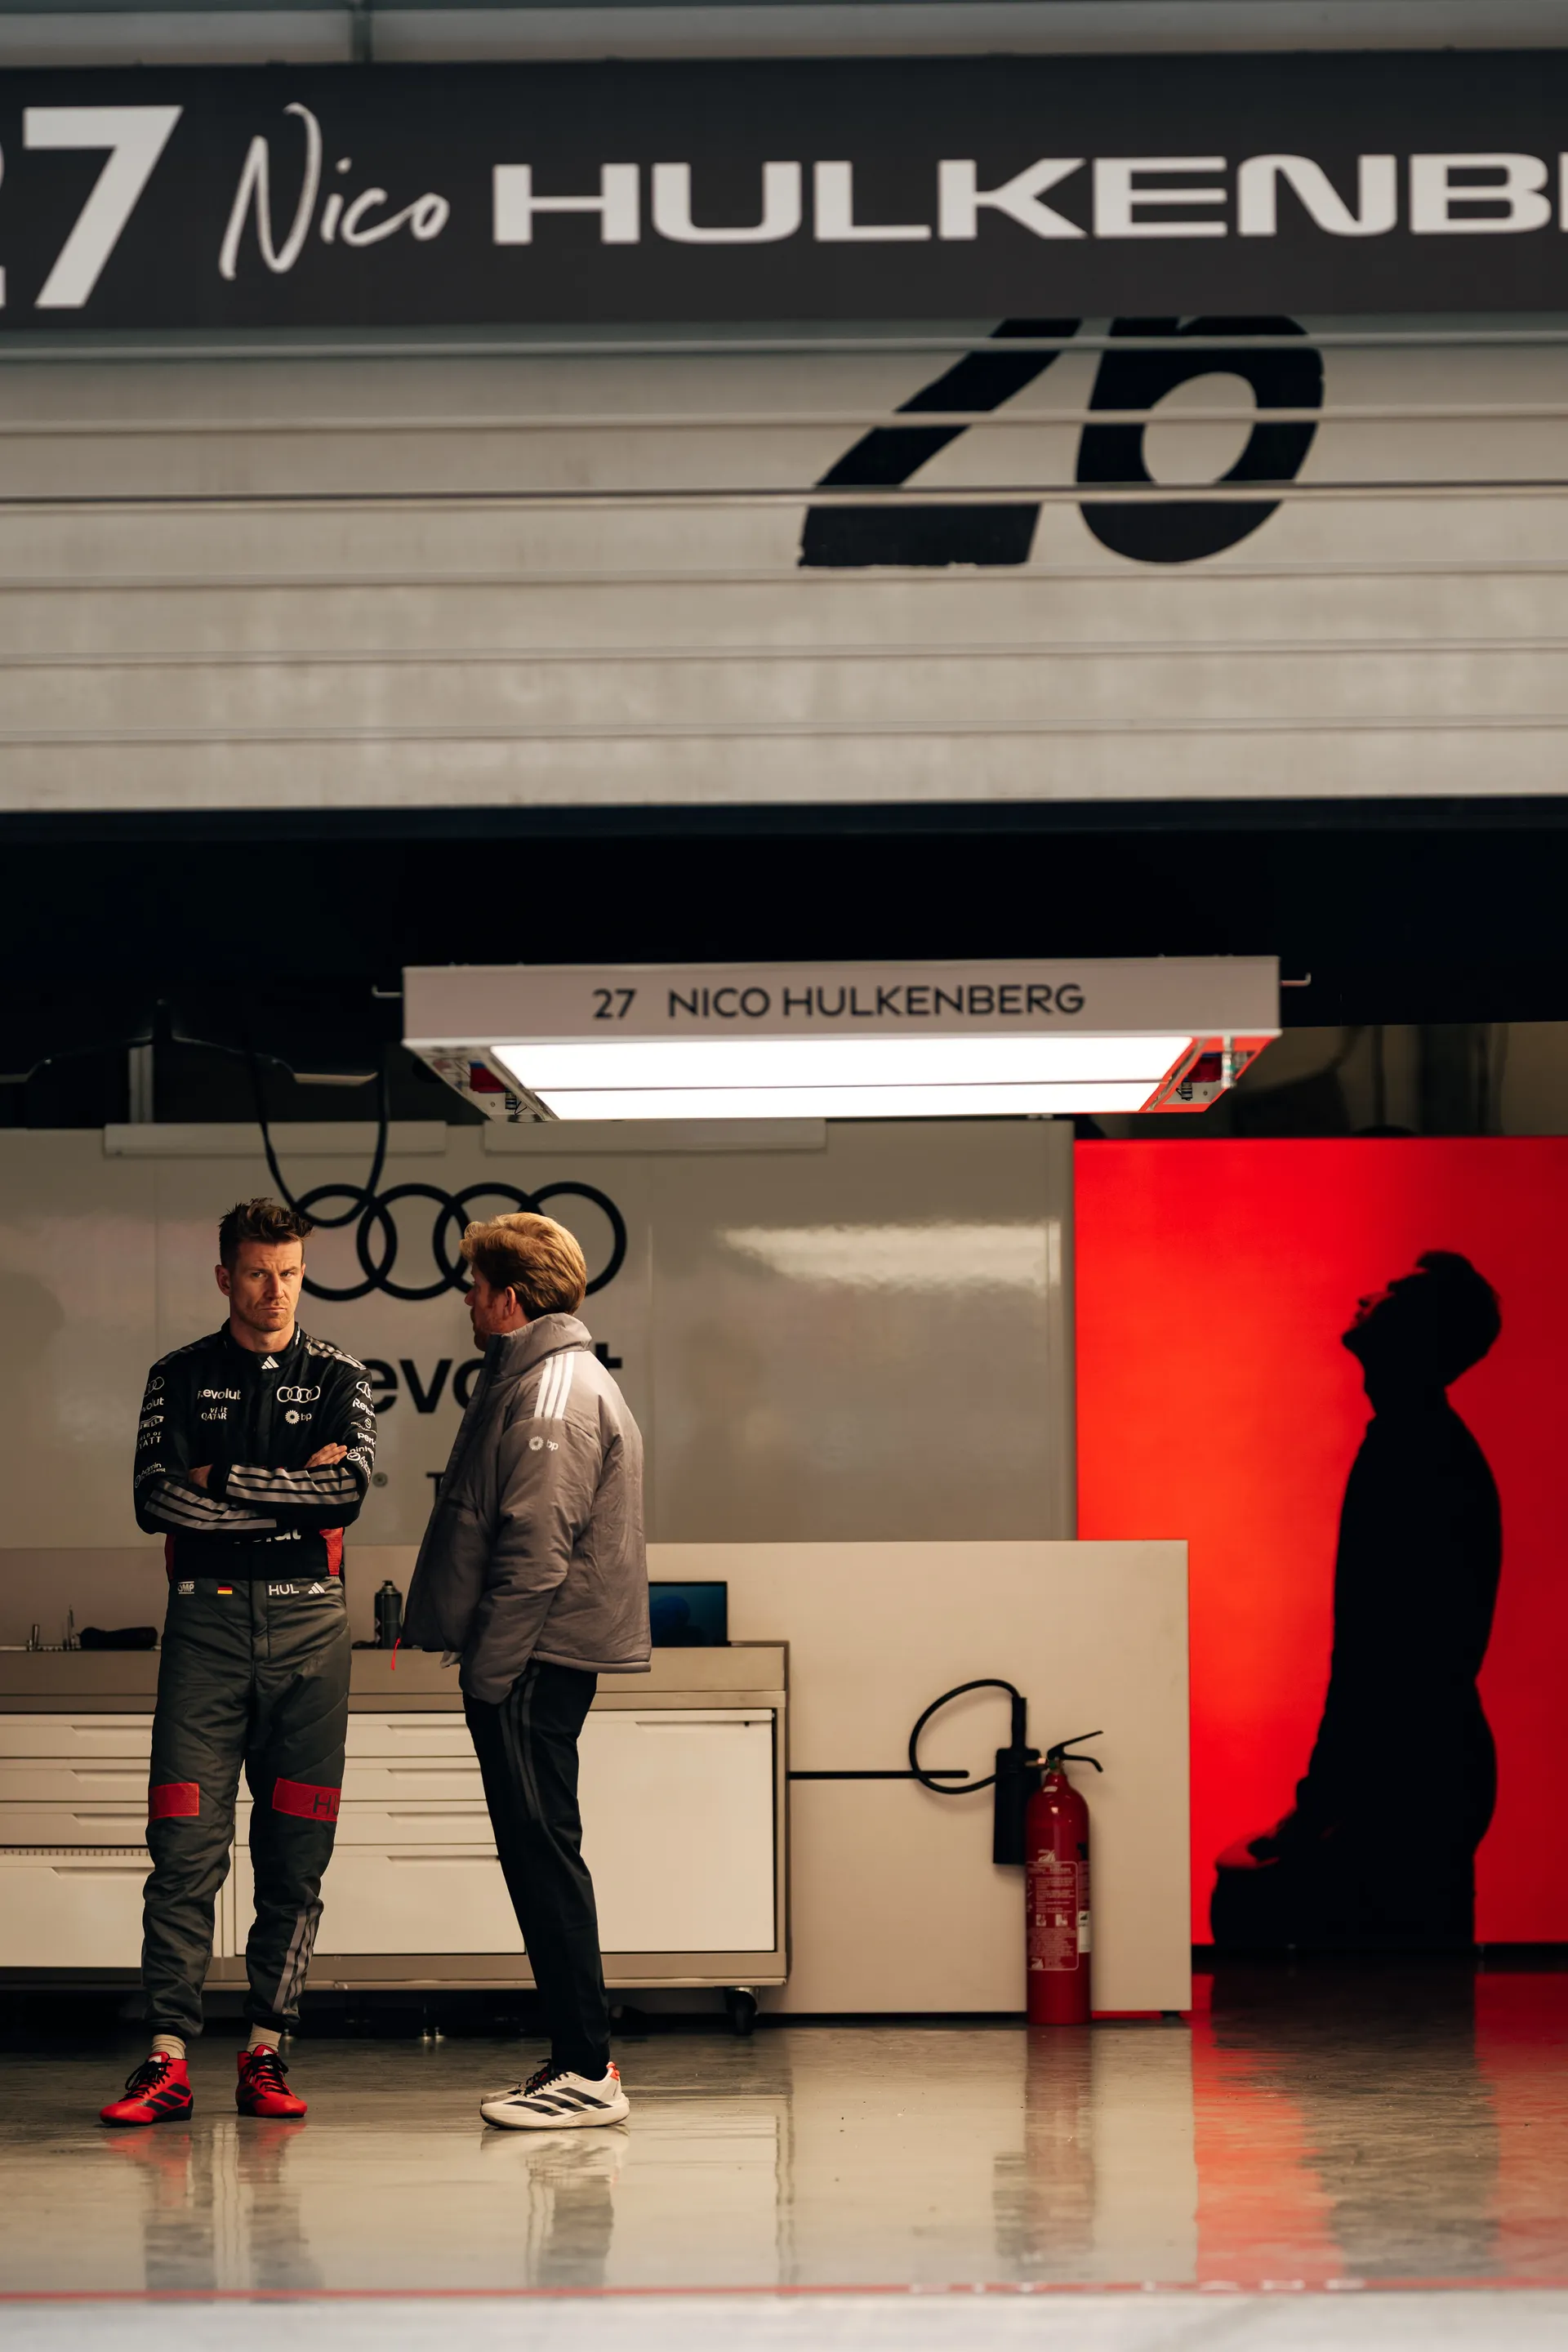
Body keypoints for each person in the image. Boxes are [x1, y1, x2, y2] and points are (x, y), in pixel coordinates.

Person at [100, 1199, 376, 2128]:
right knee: (183, 1848)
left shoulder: (344, 1375)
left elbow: (346, 1494)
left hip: (312, 1637)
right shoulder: (177, 1376)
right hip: (205, 1632)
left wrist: (221, 1478)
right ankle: (167, 2056)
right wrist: (289, 1500)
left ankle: (268, 2048)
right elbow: (154, 1501)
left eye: (291, 1271)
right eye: (258, 1272)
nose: (276, 1290)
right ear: (225, 1276)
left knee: (296, 1856)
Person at [403, 1210, 648, 2130]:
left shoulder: (552, 1392)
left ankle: (588, 2070)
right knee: (539, 1854)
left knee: (543, 1857)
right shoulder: (541, 1379)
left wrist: (488, 1676)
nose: (465, 1299)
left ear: (508, 1298)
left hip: (531, 1665)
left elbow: (537, 1549)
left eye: (473, 1285)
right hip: (529, 1662)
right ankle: (577, 2061)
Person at [1213, 1250, 1503, 1951]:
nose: (1367, 1295)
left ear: (1422, 1329)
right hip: (1424, 1770)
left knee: (1372, 2010)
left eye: (1394, 1292)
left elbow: (1382, 1655)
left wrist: (1323, 1800)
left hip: (1405, 1779)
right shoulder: (1423, 1444)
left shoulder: (1415, 1453)